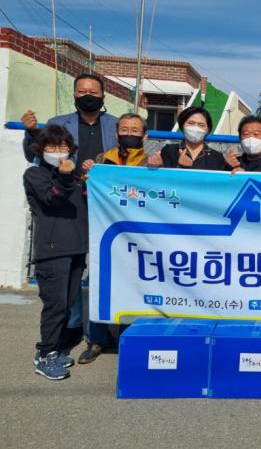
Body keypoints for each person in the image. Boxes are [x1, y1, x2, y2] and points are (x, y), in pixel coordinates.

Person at [21, 73, 117, 349]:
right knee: (70, 266)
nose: (88, 95)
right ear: (74, 94)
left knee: (102, 266)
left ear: (103, 95)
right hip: (67, 198)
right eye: (82, 91)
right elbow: (35, 155)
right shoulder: (58, 123)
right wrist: (31, 132)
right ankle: (72, 326)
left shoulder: (115, 124)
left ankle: (100, 332)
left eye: (93, 91)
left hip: (105, 202)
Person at [76, 113, 148, 364]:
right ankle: (97, 339)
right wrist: (87, 177)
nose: (130, 134)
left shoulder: (152, 162)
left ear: (145, 136)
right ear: (116, 133)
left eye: (135, 130)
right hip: (106, 233)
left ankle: (127, 338)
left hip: (138, 235)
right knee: (101, 282)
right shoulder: (101, 161)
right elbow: (88, 192)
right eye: (124, 129)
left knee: (135, 284)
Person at [24, 125, 88, 380]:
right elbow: (52, 199)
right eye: (52, 146)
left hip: (76, 249)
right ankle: (45, 354)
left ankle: (57, 349)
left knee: (68, 304)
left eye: (63, 146)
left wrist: (87, 178)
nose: (59, 151)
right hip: (52, 252)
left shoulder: (74, 178)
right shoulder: (35, 174)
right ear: (41, 149)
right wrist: (64, 176)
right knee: (55, 306)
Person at [147, 107, 225, 170]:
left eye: (201, 125)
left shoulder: (217, 157)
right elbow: (164, 179)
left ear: (208, 130)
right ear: (182, 126)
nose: (196, 128)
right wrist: (156, 166)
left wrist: (230, 168)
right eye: (191, 123)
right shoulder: (169, 150)